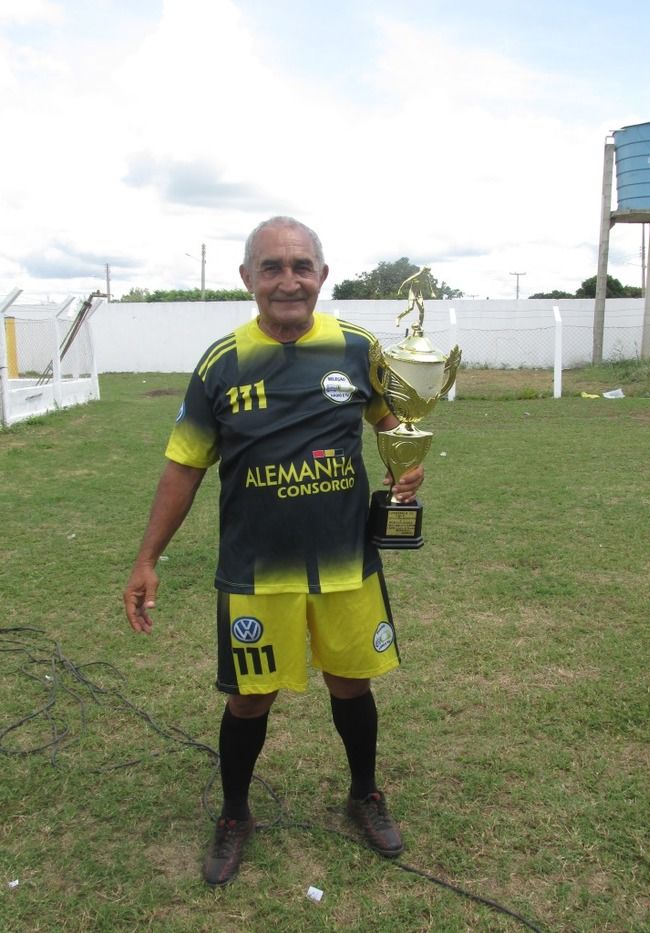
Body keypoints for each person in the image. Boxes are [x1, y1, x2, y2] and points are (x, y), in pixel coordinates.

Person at [123, 216, 424, 887]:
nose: (288, 280)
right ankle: (235, 813)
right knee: (250, 696)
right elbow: (184, 464)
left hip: (345, 563)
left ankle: (364, 793)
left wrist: (404, 459)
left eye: (301, 265)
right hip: (256, 569)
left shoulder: (357, 348)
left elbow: (389, 419)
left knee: (351, 682)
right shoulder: (222, 362)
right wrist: (146, 559)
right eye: (272, 267)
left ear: (322, 274)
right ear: (248, 279)